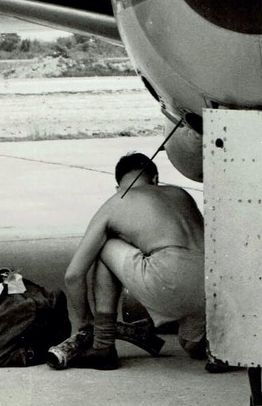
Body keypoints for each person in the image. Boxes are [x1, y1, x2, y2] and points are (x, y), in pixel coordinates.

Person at [63, 152, 207, 369]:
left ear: (118, 186)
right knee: (189, 343)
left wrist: (85, 322)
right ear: (155, 179)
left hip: (169, 279)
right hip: (211, 284)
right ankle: (209, 343)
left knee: (104, 244)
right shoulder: (180, 194)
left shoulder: (117, 201)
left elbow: (73, 275)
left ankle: (103, 345)